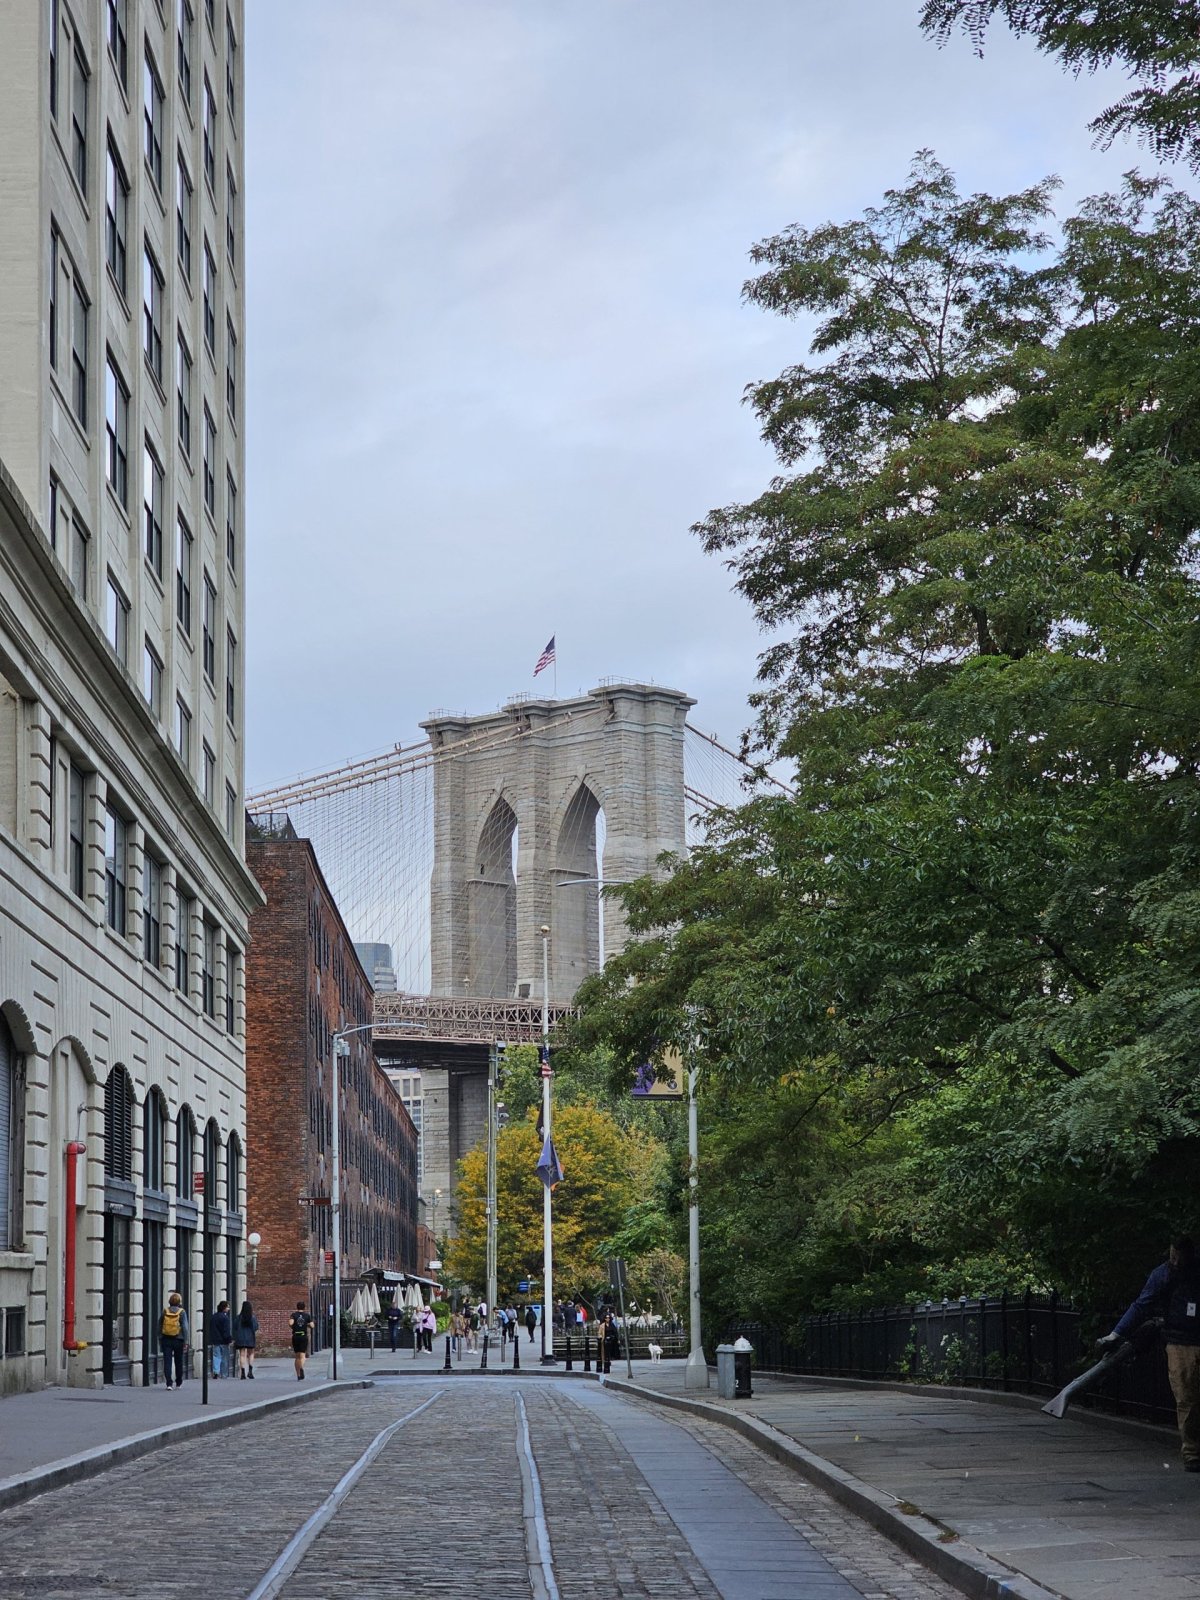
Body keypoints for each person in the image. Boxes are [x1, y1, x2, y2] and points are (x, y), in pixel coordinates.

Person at [1101, 1236, 1200, 1471]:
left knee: (1188, 1399)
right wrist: (1117, 1333)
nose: (1175, 1260)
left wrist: (1116, 1334)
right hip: (1179, 1341)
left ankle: (1193, 1451)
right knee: (1187, 1398)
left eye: (1178, 1255)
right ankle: (1192, 1453)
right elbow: (1141, 1304)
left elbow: (1141, 1304)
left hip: (1183, 1338)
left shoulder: (1176, 1273)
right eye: (1173, 1254)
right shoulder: (1164, 1274)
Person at [160, 1292, 189, 1390]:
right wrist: (186, 1341)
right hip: (178, 1339)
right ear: (179, 1302)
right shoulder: (182, 1312)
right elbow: (184, 1327)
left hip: (166, 1339)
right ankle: (178, 1382)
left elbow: (159, 1324)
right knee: (178, 1361)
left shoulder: (165, 1311)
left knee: (167, 1361)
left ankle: (169, 1383)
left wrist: (160, 1336)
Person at [234, 1299, 258, 1378]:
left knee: (242, 1354)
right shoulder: (252, 1318)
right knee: (251, 1353)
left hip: (240, 1337)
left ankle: (243, 1373)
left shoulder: (238, 1317)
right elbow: (255, 1327)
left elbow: (235, 1327)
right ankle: (250, 1371)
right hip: (250, 1337)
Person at [289, 1301, 312, 1380]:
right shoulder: (307, 1316)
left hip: (295, 1336)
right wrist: (307, 1324)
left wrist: (293, 1327)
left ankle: (298, 1375)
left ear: (297, 1307)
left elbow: (291, 1323)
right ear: (304, 1307)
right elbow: (312, 1325)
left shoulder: (293, 1315)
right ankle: (301, 1367)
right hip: (303, 1336)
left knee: (297, 1356)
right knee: (302, 1356)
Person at [210, 1299, 232, 1379]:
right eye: (228, 1307)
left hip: (215, 1340)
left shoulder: (213, 1317)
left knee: (216, 1356)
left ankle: (216, 1371)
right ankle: (224, 1374)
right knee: (224, 1358)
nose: (228, 1309)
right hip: (224, 1341)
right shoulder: (225, 1318)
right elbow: (226, 1331)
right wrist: (229, 1340)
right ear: (224, 1308)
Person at [599, 1308, 620, 1375]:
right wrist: (601, 1337)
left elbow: (615, 1332)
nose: (607, 1319)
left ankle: (610, 1359)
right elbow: (599, 1333)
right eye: (606, 1318)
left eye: (608, 1318)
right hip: (605, 1339)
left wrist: (616, 1338)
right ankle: (606, 1360)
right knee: (605, 1351)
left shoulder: (612, 1325)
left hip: (611, 1339)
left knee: (611, 1350)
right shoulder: (602, 1326)